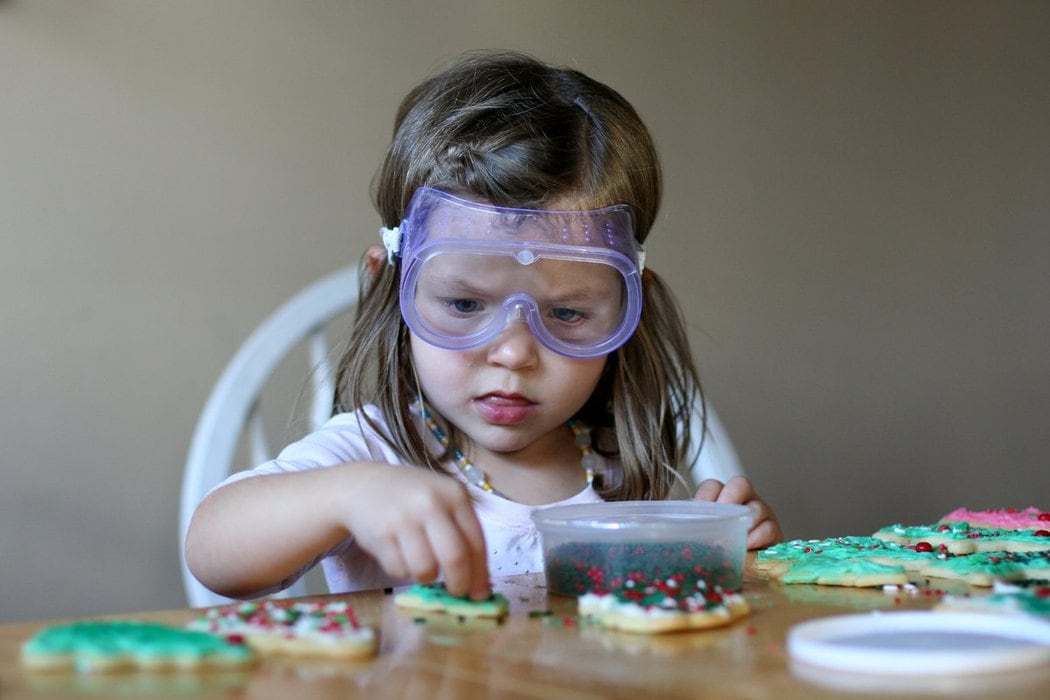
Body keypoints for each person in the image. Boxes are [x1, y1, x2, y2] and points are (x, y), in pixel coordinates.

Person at [185, 50, 782, 602]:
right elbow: (213, 551)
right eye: (466, 305)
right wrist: (345, 495)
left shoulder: (617, 462)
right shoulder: (377, 451)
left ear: (628, 306)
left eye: (568, 313)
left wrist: (727, 548)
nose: (515, 353)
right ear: (392, 290)